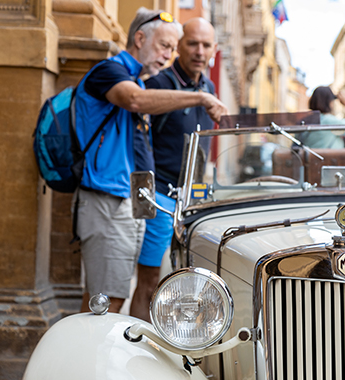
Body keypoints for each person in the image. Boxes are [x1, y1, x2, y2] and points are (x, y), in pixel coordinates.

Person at [74, 7, 227, 314]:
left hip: (130, 198)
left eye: (172, 48)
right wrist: (199, 97)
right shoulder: (111, 71)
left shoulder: (139, 79)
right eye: (165, 47)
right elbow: (135, 101)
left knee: (113, 296)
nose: (168, 55)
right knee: (105, 302)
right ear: (140, 38)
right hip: (110, 197)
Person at [129, 17, 222, 321]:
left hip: (193, 202)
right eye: (192, 43)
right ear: (179, 46)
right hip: (161, 197)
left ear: (214, 49)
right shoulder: (159, 84)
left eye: (205, 44)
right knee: (150, 281)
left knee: (187, 283)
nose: (199, 50)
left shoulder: (208, 86)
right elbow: (137, 139)